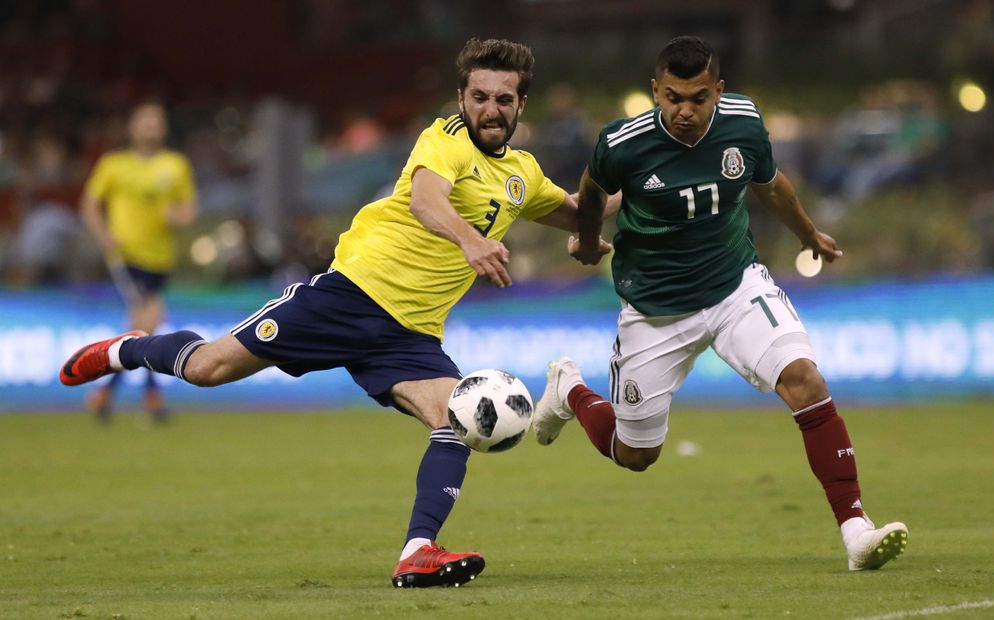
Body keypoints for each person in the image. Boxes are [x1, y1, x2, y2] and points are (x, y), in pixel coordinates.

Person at [60, 38, 613, 588]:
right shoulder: (443, 141)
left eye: (503, 99)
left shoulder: (522, 173)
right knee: (207, 369)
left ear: (521, 106)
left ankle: (417, 552)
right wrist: (471, 241)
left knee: (454, 422)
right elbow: (426, 200)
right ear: (461, 99)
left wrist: (632, 197)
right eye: (479, 96)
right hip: (349, 298)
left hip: (410, 334)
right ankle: (122, 349)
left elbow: (580, 210)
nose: (490, 109)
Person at [532, 36, 908, 572]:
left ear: (719, 91)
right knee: (635, 455)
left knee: (806, 380)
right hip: (656, 309)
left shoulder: (745, 122)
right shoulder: (622, 142)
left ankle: (856, 532)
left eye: (700, 98)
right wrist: (590, 240)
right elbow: (592, 191)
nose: (686, 111)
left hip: (735, 287)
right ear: (656, 92)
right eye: (674, 98)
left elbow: (771, 185)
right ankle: (569, 389)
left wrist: (808, 234)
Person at [79, 101, 198, 422]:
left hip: (160, 258)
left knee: (142, 328)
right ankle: (152, 396)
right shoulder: (113, 165)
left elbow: (189, 210)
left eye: (156, 121)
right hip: (126, 256)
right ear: (132, 127)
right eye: (144, 121)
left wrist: (177, 216)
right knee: (149, 320)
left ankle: (104, 394)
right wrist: (104, 236)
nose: (150, 127)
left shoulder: (175, 165)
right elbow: (90, 205)